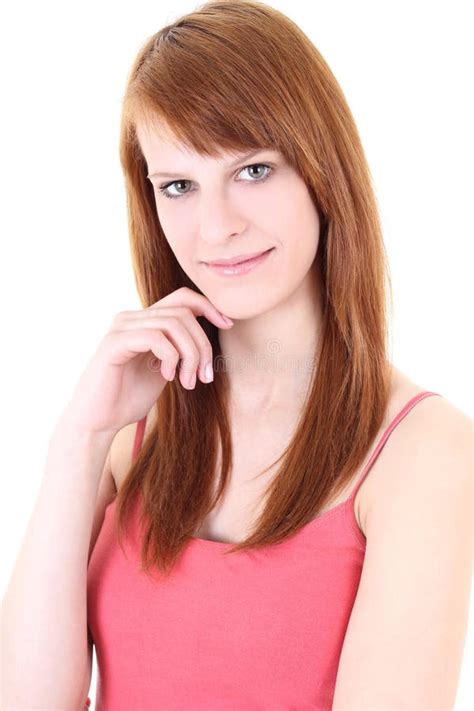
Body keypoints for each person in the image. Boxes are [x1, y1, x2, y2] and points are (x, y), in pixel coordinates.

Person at [2, 1, 472, 709]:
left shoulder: (421, 449)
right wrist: (80, 439)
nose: (216, 226)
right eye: (179, 186)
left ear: (321, 170)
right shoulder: (133, 429)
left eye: (253, 170)